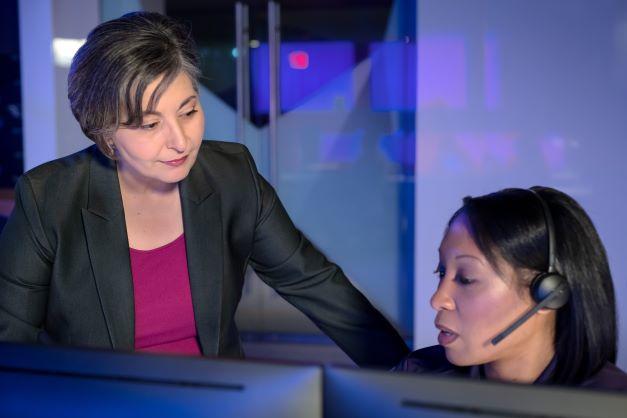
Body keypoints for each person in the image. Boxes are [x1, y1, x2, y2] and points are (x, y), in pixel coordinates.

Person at [0, 11, 408, 368]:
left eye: (189, 111)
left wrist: (409, 376)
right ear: (105, 134)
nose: (180, 141)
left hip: (214, 400)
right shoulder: (48, 198)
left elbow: (315, 283)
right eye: (149, 124)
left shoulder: (232, 175)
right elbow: (9, 341)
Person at [395, 186, 627, 391]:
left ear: (548, 294)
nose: (438, 299)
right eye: (442, 273)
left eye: (466, 278)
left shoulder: (613, 404)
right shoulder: (418, 378)